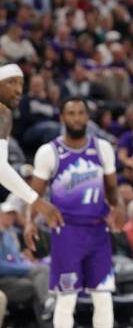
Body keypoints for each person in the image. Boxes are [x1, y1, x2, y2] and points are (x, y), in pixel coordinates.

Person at [26, 97, 121, 328]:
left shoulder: (103, 148)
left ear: (87, 117)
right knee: (67, 297)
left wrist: (118, 208)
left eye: (81, 113)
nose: (77, 118)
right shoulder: (49, 152)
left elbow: (112, 188)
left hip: (98, 231)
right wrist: (30, 222)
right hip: (66, 231)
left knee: (103, 297)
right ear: (62, 118)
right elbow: (33, 195)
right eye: (71, 113)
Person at [0, 63, 63, 229]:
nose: (18, 90)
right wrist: (36, 201)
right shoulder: (2, 113)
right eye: (11, 82)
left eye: (21, 84)